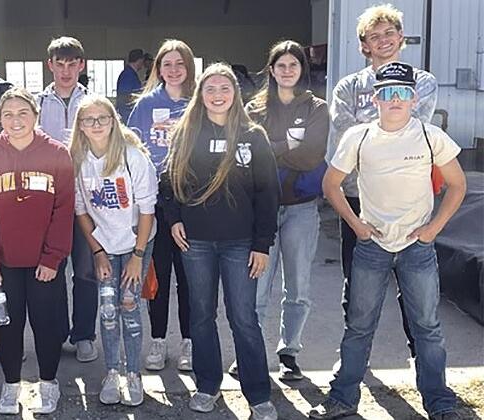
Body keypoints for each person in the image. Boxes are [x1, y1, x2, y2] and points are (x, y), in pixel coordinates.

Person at [310, 61, 465, 420]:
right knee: (359, 326)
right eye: (388, 93)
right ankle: (343, 399)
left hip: (418, 247)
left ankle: (439, 403)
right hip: (371, 246)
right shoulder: (359, 136)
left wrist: (434, 229)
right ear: (376, 98)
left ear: (413, 98)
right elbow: (331, 185)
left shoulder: (430, 136)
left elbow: (458, 185)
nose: (395, 100)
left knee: (427, 327)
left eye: (402, 93)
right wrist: (356, 225)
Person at [159, 62, 279, 419]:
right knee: (201, 316)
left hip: (240, 243)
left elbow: (268, 193)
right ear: (201, 94)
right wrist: (174, 219)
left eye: (224, 88)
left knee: (243, 317)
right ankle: (207, 385)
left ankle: (258, 393)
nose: (217, 95)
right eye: (210, 89)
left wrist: (262, 243)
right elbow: (168, 181)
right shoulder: (186, 132)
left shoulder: (253, 136)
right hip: (195, 243)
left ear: (235, 94)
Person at [327, 3, 438, 360]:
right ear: (364, 45)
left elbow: (409, 129)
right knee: (356, 285)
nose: (383, 40)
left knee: (414, 287)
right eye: (375, 36)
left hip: (409, 204)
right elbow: (348, 137)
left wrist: (373, 132)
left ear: (401, 38)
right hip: (358, 201)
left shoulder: (422, 82)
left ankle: (419, 357)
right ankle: (355, 362)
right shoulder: (347, 86)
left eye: (390, 33)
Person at [0, 87, 74, 415]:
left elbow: (64, 209)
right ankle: (11, 384)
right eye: (8, 114)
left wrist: (53, 256)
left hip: (45, 263)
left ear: (36, 115)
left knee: (46, 324)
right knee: (7, 326)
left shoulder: (57, 154)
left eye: (23, 113)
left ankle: (48, 382)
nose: (16, 120)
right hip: (3, 265)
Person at [244, 40, 329, 381]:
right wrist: (289, 144)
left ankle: (290, 351)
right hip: (261, 210)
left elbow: (312, 155)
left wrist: (274, 149)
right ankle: (251, 355)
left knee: (298, 286)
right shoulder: (253, 110)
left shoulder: (316, 109)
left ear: (301, 70)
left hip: (301, 209)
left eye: (294, 65)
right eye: (281, 65)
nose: (288, 70)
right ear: (272, 69)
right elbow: (251, 156)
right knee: (257, 289)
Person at [69, 96, 157, 406]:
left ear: (113, 121)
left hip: (135, 243)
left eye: (102, 118)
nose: (95, 124)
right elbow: (81, 212)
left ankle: (133, 373)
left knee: (129, 306)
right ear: (80, 125)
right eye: (88, 119)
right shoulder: (78, 160)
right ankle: (112, 371)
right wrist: (97, 252)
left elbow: (148, 211)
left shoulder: (132, 157)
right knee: (108, 310)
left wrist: (137, 255)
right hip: (104, 245)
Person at [127, 39, 196, 372]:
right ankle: (157, 340)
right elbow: (132, 148)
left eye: (179, 63)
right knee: (159, 276)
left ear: (188, 68)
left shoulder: (198, 103)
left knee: (189, 277)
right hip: (153, 204)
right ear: (158, 69)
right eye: (166, 64)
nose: (173, 69)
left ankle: (189, 341)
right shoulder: (145, 105)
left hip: (188, 203)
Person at [35, 36, 99, 363]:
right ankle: (57, 332)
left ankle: (84, 334)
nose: (66, 70)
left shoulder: (94, 105)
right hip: (49, 204)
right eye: (59, 64)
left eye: (72, 63)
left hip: (87, 202)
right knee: (52, 269)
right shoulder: (36, 105)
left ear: (81, 66)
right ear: (50, 66)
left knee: (86, 271)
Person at [115, 49, 146, 122]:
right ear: (140, 60)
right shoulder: (127, 75)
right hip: (128, 115)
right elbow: (124, 96)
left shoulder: (130, 74)